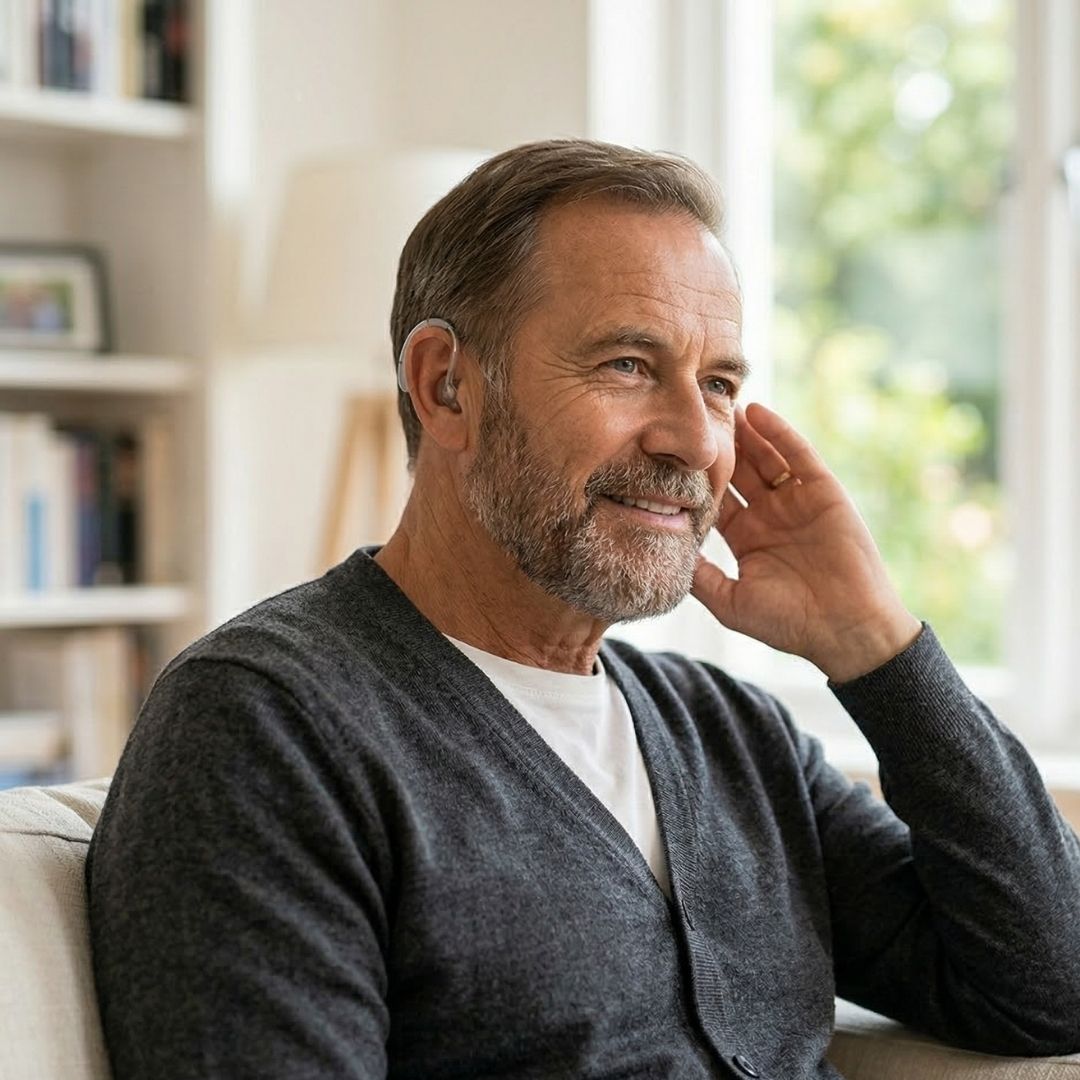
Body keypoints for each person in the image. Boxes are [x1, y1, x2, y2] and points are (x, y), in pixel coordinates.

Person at [86, 139, 1080, 1080]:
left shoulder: (730, 736)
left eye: (723, 383)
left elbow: (1053, 989)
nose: (696, 438)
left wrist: (878, 652)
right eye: (627, 366)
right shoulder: (265, 726)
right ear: (447, 388)